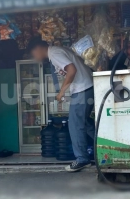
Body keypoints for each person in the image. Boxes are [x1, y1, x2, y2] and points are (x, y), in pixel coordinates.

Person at [27, 38, 95, 172]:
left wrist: (62, 91)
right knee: (85, 123)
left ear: (37, 49)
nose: (35, 58)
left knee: (75, 124)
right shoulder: (55, 53)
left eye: (33, 54)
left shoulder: (55, 53)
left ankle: (82, 159)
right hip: (86, 87)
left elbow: (71, 70)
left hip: (83, 89)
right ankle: (105, 147)